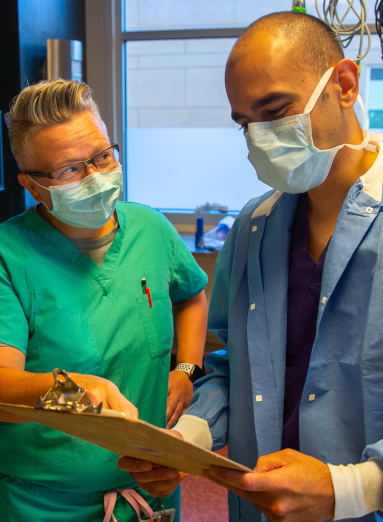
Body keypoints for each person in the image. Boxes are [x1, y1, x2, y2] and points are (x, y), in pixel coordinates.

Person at [118, 12, 383, 522]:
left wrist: (348, 490)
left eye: (276, 110)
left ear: (345, 86)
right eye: (244, 122)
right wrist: (188, 439)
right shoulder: (254, 227)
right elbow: (230, 367)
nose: (259, 137)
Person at [0, 79, 208, 521]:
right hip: (47, 504)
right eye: (70, 170)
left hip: (152, 492)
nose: (95, 176)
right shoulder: (9, 256)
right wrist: (69, 391)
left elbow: (191, 295)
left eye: (102, 156)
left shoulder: (151, 229)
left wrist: (188, 369)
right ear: (33, 186)